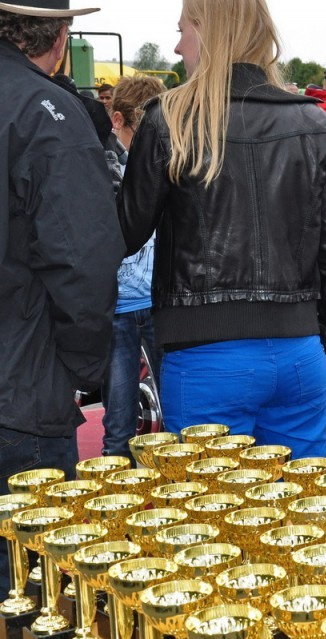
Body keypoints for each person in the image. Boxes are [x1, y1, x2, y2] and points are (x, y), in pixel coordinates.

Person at [118, 0, 326, 458]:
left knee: (212, 501)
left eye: (183, 30)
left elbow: (124, 232)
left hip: (206, 356)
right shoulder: (312, 121)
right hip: (300, 351)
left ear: (209, 32)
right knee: (302, 501)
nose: (177, 46)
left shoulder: (170, 119)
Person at [0, 0, 123, 590]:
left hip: (19, 376)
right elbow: (83, 259)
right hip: (20, 390)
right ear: (61, 35)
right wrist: (81, 367)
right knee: (33, 590)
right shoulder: (44, 111)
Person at [102, 75, 167, 460]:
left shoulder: (167, 158)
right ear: (118, 121)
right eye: (141, 132)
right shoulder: (98, 166)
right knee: (118, 425)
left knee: (179, 421)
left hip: (161, 303)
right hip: (119, 308)